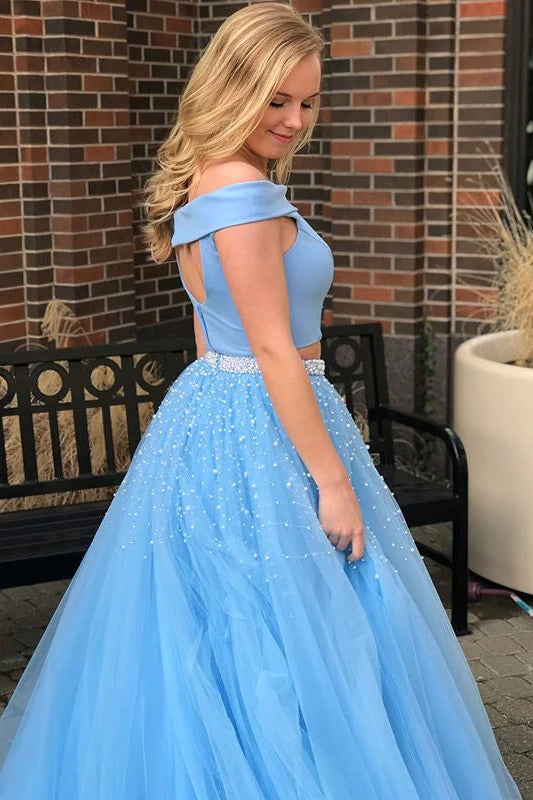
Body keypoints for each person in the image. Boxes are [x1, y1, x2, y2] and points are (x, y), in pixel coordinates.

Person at [0, 3, 523, 798]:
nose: (294, 120)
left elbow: (209, 333)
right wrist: (332, 479)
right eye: (276, 100)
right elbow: (273, 349)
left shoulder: (206, 184)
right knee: (294, 621)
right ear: (232, 87)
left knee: (237, 618)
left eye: (307, 101)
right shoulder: (243, 194)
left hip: (217, 411)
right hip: (266, 418)